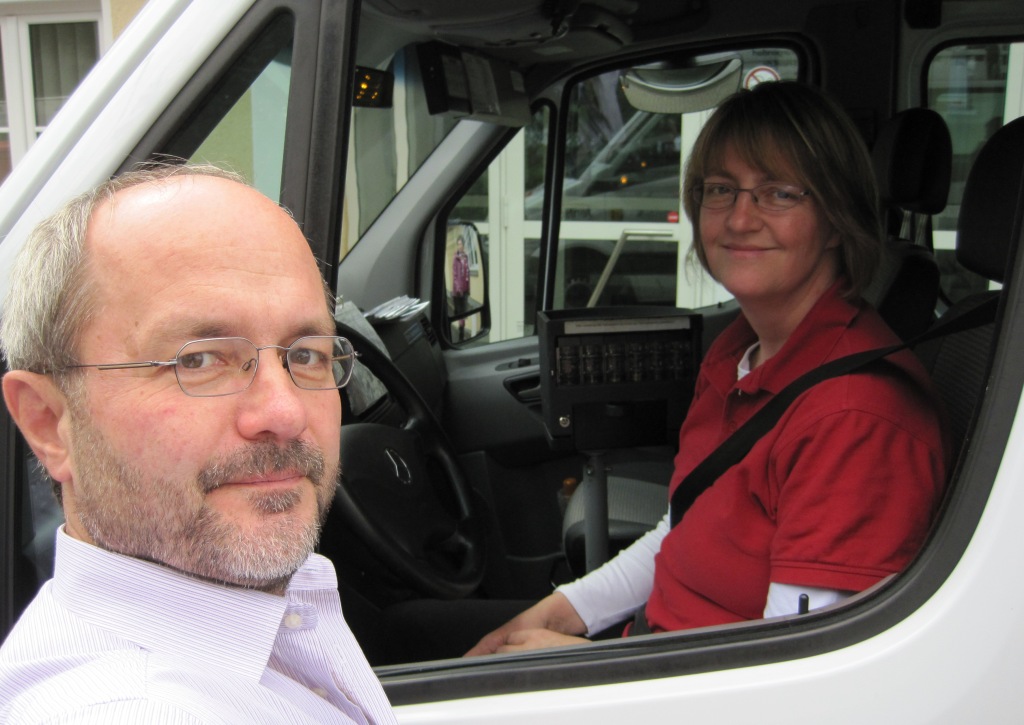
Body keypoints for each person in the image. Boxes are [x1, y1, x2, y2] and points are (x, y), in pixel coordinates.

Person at [466, 81, 948, 656]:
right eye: (721, 189)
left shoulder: (855, 421)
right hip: (655, 656)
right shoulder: (739, 350)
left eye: (779, 193)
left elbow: (793, 673)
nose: (740, 219)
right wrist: (566, 610)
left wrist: (575, 665)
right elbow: (685, 528)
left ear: (838, 218)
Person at [0, 164, 397, 723]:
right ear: (47, 422)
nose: (284, 413)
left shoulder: (264, 615)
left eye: (306, 353)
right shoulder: (128, 708)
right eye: (200, 360)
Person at [451, 235, 470, 340]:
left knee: (464, 313)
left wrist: (468, 288)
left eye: (461, 243)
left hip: (465, 290)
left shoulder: (465, 257)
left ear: (463, 245)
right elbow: (455, 275)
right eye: (458, 244)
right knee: (460, 313)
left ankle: (462, 331)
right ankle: (461, 335)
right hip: (458, 291)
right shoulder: (455, 258)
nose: (460, 246)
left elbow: (467, 274)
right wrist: (458, 289)